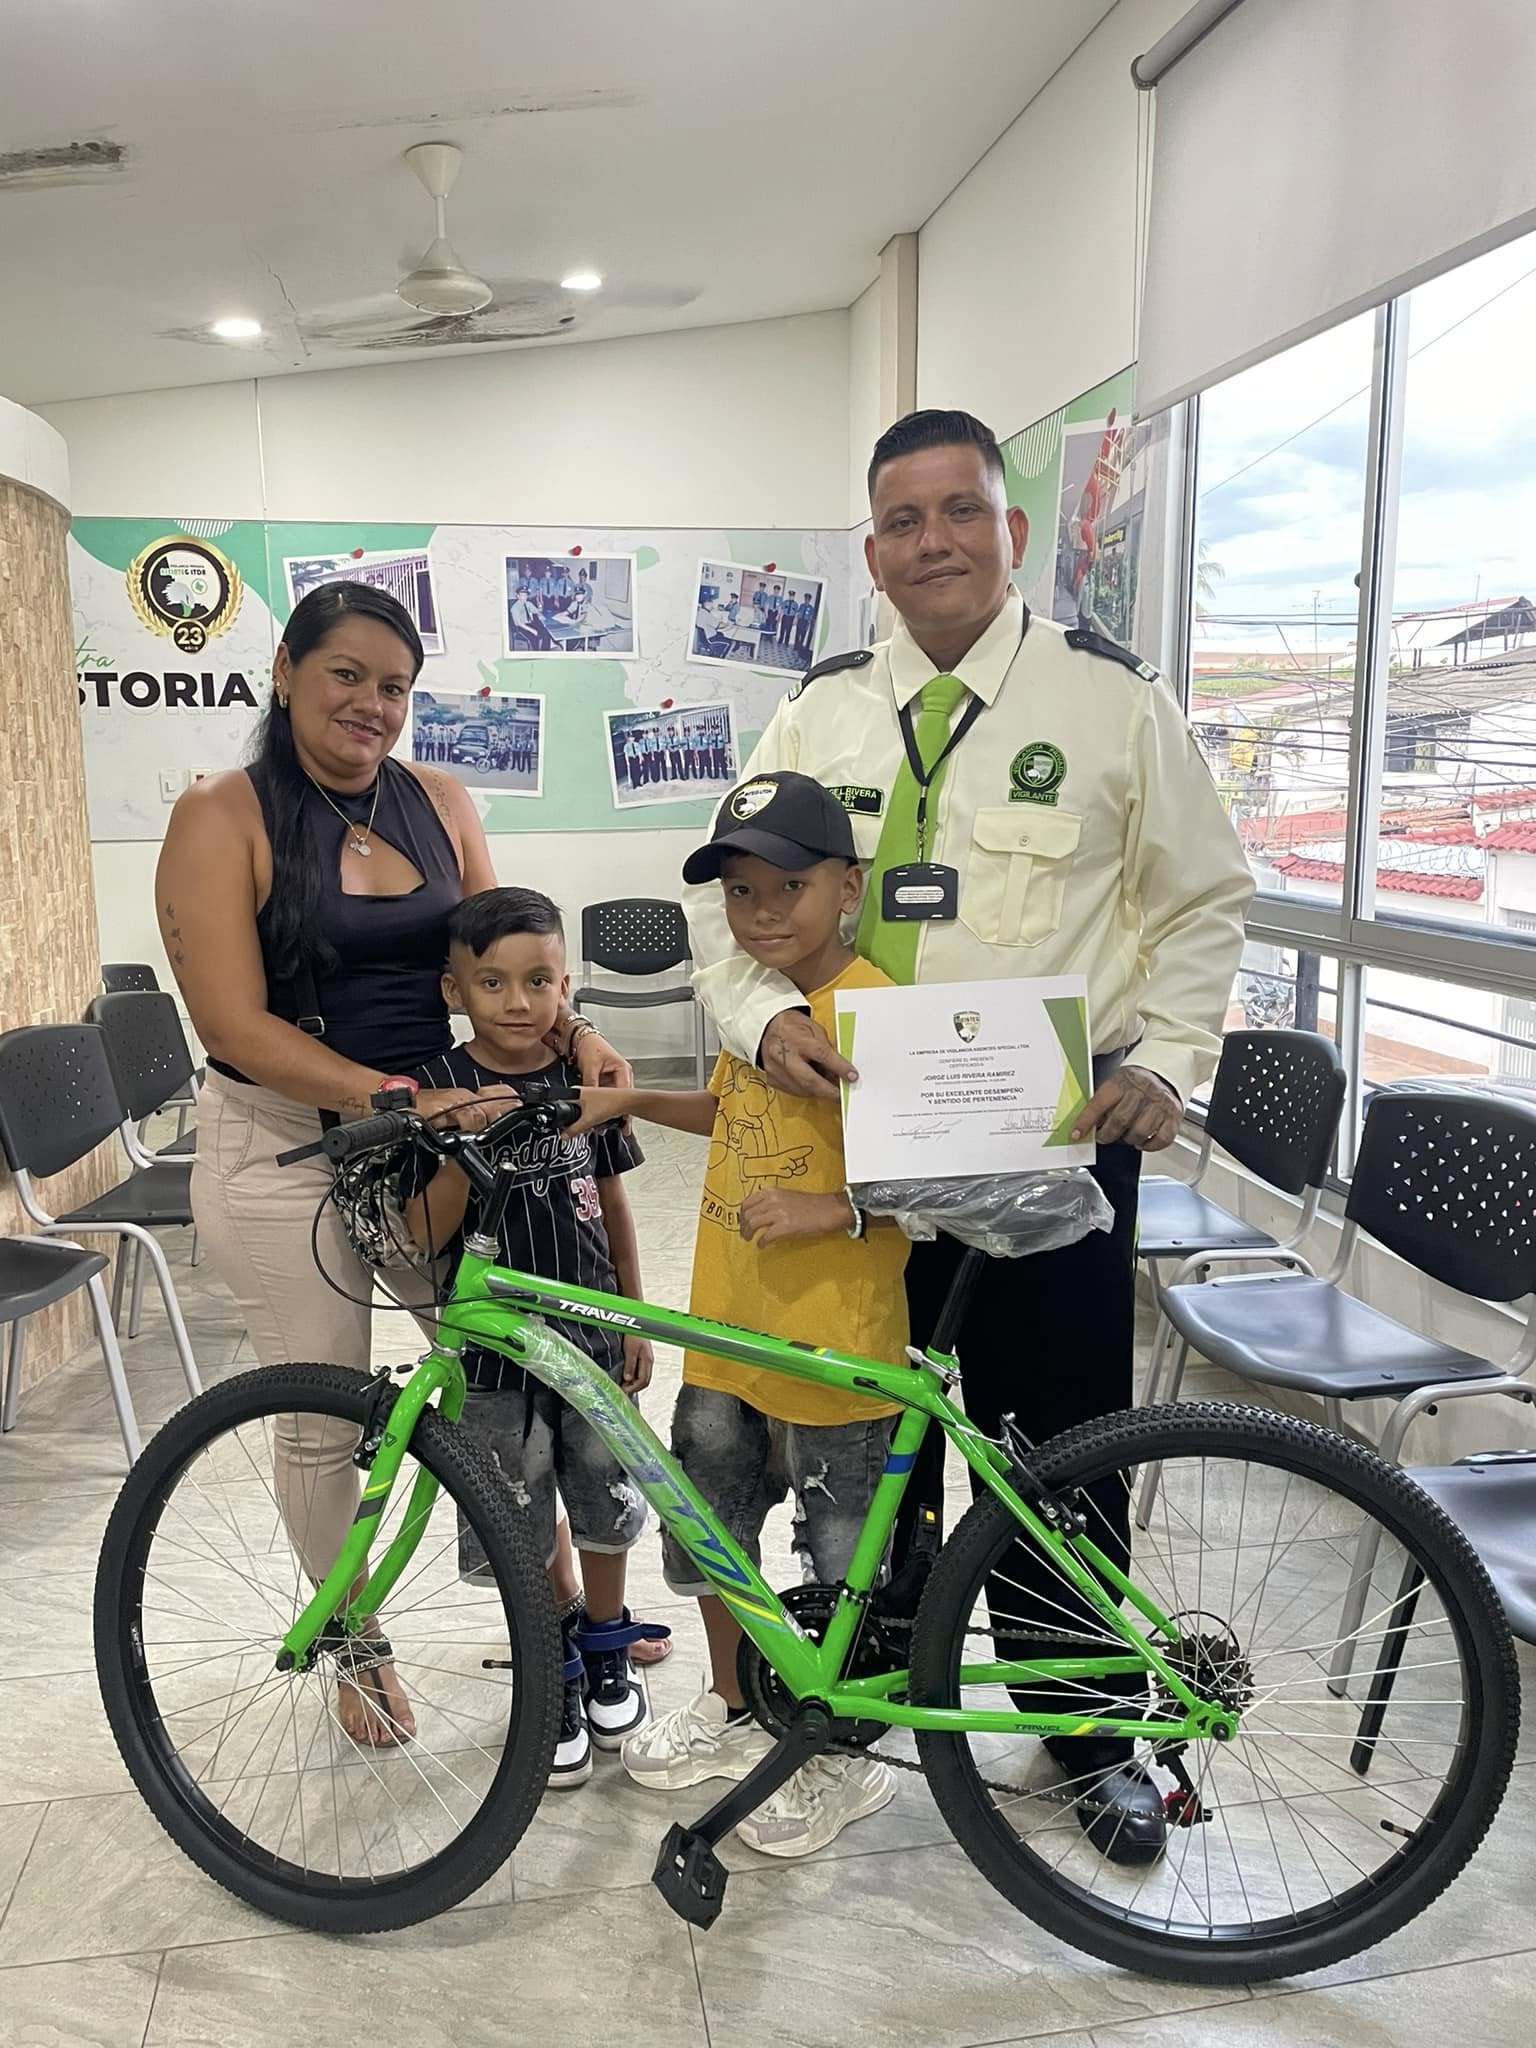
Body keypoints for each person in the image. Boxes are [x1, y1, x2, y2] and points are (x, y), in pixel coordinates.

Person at [682, 408, 1254, 1866]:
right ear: (872, 550)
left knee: (1056, 1445)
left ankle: (1087, 1723)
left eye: (960, 510)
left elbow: (1204, 898)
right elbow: (720, 904)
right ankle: (859, 1704)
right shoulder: (818, 713)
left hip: (1045, 1138)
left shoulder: (1112, 702)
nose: (932, 540)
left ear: (1013, 529)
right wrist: (763, 1020)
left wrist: (1170, 1061)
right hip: (844, 1139)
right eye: (902, 518)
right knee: (861, 1434)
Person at [158, 580, 629, 1748]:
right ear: (285, 670)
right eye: (347, 675)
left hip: (433, 1144)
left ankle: (568, 1613)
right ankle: (354, 1648)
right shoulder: (221, 814)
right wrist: (395, 1093)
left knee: (511, 1368)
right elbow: (230, 1022)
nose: (373, 704)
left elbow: (500, 957)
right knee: (326, 1415)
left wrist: (573, 1031)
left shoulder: (440, 801)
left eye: (396, 687)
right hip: (282, 1147)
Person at [575, 772, 910, 1857]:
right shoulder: (751, 1002)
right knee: (711, 1531)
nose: (761, 913)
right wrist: (632, 1098)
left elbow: (935, 1186)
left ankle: (844, 1749)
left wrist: (831, 1209)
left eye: (789, 887)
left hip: (837, 1350)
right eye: (739, 890)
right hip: (724, 1333)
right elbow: (730, 1109)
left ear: (849, 888)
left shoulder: (881, 1011)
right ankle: (733, 1700)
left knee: (840, 1560)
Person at [404, 888, 660, 1785]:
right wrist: (457, 1140)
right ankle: (547, 1654)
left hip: (591, 1332)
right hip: (490, 1350)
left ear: (566, 985)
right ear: (455, 990)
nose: (518, 1002)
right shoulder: (437, 1086)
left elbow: (614, 1200)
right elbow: (425, 1235)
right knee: (516, 1506)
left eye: (539, 981)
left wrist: (632, 1315)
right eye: (493, 982)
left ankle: (607, 1642)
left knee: (603, 1492)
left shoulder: (581, 1080)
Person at [510, 583, 553, 652]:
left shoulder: (528, 603)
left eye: (526, 595)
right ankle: (535, 653)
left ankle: (545, 651)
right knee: (534, 638)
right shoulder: (515, 608)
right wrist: (533, 630)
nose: (525, 597)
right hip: (522, 627)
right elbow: (519, 623)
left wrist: (540, 614)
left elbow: (537, 611)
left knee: (546, 633)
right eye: (522, 595)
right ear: (518, 596)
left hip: (531, 623)